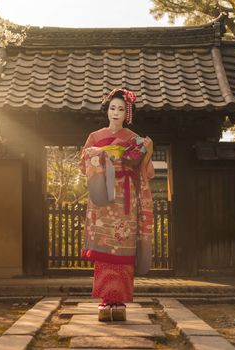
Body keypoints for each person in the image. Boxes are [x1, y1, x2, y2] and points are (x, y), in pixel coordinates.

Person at [79, 88, 154, 322]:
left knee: (122, 247)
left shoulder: (133, 138)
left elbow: (144, 169)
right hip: (104, 195)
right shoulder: (94, 136)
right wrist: (101, 155)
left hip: (125, 197)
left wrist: (146, 151)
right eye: (112, 108)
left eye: (121, 109)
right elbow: (84, 163)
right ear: (107, 110)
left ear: (127, 113)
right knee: (105, 251)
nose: (116, 113)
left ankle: (119, 302)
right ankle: (104, 301)